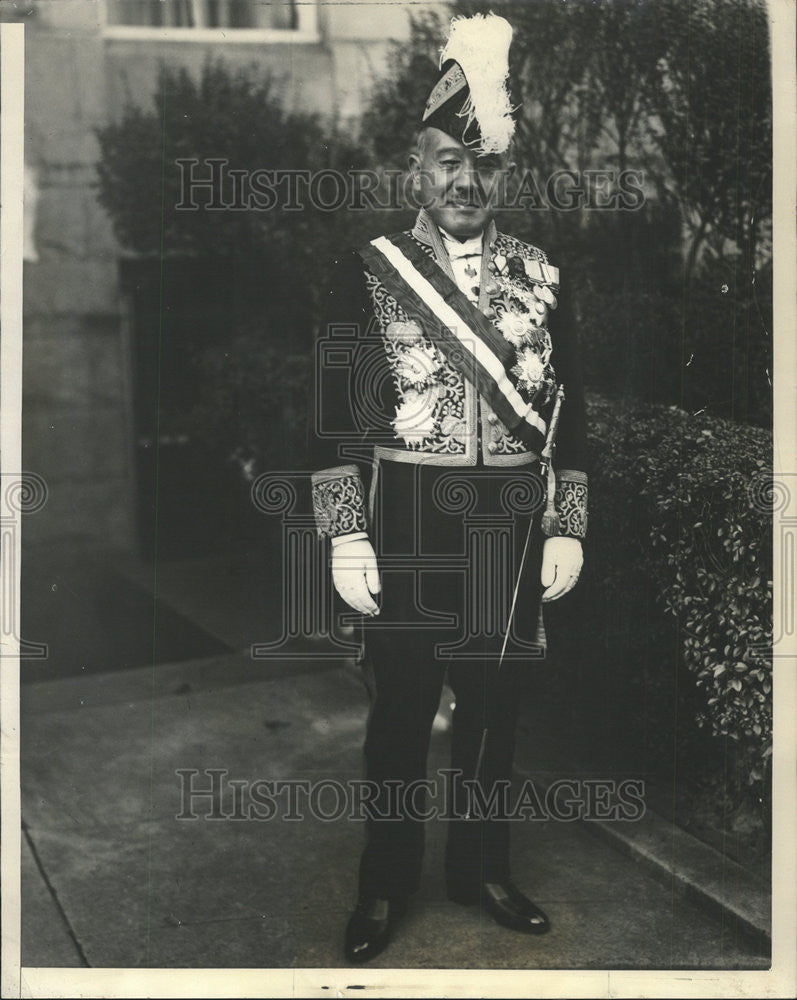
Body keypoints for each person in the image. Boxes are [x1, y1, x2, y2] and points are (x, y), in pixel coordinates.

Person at [308, 13, 588, 964]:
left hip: (508, 523)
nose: (466, 182)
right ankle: (384, 887)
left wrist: (568, 527)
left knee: (493, 713)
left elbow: (569, 416)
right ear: (415, 171)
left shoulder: (543, 275)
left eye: (486, 166)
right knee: (398, 719)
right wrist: (346, 534)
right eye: (444, 162)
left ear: (506, 174)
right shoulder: (370, 273)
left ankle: (480, 870)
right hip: (408, 521)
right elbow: (332, 419)